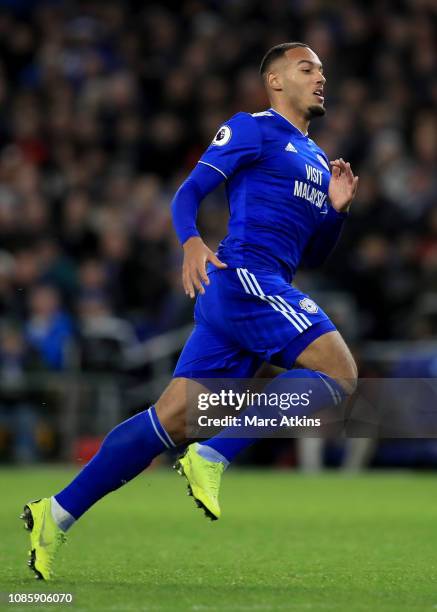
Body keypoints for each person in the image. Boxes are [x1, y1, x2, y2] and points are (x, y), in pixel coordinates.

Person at [21, 42, 359, 580]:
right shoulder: (252, 128)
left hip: (261, 289)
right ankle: (214, 456)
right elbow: (190, 191)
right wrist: (191, 241)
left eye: (322, 70)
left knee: (171, 419)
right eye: (307, 68)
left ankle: (54, 514)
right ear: (274, 81)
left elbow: (312, 255)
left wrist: (337, 213)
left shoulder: (318, 159)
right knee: (340, 374)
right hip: (246, 280)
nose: (321, 77)